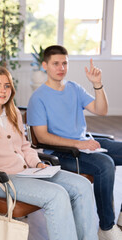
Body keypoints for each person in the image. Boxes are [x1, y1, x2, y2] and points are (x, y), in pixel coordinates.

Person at [0, 66, 97, 240]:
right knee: (56, 196)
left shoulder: (13, 113)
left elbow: (25, 146)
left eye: (7, 86)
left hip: (26, 172)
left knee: (82, 185)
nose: (3, 90)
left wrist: (37, 164)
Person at [27, 45, 122, 240]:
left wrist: (97, 84)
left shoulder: (74, 88)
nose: (61, 68)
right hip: (61, 153)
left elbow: (101, 110)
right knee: (105, 165)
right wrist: (79, 145)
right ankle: (106, 227)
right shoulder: (38, 98)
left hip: (86, 144)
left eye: (64, 63)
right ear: (45, 66)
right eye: (55, 64)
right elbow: (43, 137)